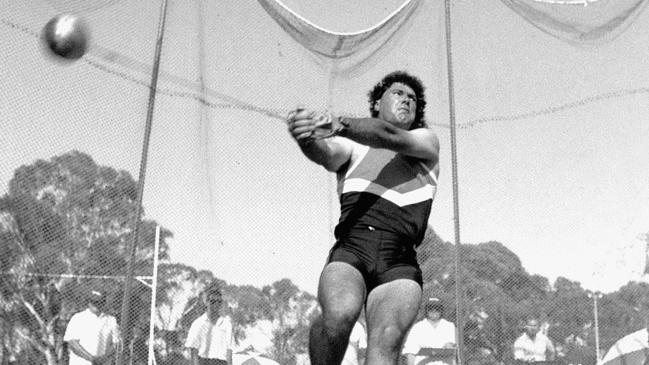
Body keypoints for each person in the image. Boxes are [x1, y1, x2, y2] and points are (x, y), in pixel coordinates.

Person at [286, 70, 440, 365]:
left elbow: (388, 135)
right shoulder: (354, 145)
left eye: (413, 98)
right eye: (398, 93)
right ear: (377, 104)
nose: (407, 100)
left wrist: (339, 123)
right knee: (339, 316)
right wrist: (306, 137)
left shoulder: (425, 141)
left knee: (388, 338)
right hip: (353, 247)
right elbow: (326, 153)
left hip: (399, 259)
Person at [64, 289, 120, 365]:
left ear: (104, 302)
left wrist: (103, 359)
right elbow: (73, 343)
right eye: (94, 302)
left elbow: (116, 344)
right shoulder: (78, 318)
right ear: (89, 302)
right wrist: (91, 358)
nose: (96, 305)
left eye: (99, 302)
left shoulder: (111, 320)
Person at [185, 282, 233, 365]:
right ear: (206, 302)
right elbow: (193, 352)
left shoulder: (227, 324)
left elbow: (229, 351)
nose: (216, 304)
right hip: (204, 361)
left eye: (219, 301)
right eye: (213, 301)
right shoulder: (198, 324)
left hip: (221, 362)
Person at [402, 298, 456, 365]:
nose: (434, 311)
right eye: (431, 308)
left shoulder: (449, 326)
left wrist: (450, 346)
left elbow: (454, 349)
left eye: (437, 309)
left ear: (441, 310)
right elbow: (410, 352)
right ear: (426, 310)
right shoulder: (418, 328)